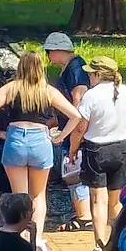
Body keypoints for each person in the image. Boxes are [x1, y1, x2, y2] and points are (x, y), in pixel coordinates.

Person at [0, 52, 78, 251]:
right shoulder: (48, 91)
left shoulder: (11, 88)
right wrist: (60, 136)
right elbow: (75, 115)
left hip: (15, 139)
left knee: (20, 195)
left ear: (21, 68)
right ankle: (38, 238)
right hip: (40, 140)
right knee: (39, 195)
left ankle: (20, 238)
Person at [74, 56, 126, 251]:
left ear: (97, 75)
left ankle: (99, 245)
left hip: (96, 150)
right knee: (115, 202)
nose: (88, 76)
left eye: (90, 73)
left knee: (98, 200)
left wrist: (72, 149)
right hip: (121, 148)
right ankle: (118, 242)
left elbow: (81, 128)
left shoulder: (92, 95)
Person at [46, 32, 91, 235]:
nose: (48, 57)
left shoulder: (75, 68)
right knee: (71, 170)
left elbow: (78, 98)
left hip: (74, 129)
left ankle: (84, 217)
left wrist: (70, 131)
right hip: (68, 126)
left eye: (48, 52)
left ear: (57, 50)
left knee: (74, 171)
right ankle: (81, 212)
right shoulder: (69, 68)